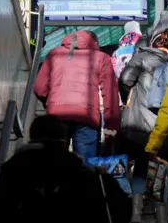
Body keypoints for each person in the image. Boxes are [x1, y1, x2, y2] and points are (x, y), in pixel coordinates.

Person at [0, 115, 132, 223]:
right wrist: (106, 179)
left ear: (32, 137)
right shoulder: (85, 176)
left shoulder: (12, 173)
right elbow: (121, 219)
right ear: (63, 141)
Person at [117, 30, 168, 217]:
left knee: (140, 163)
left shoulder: (141, 57)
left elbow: (124, 80)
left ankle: (136, 213)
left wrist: (127, 98)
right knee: (159, 166)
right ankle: (161, 217)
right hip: (163, 124)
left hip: (138, 121)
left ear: (153, 43)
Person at [33, 30, 120, 162]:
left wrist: (50, 103)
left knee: (55, 162)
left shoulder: (54, 54)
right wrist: (111, 124)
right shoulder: (102, 58)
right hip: (87, 117)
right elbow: (110, 93)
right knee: (85, 166)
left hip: (57, 118)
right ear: (95, 43)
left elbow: (39, 88)